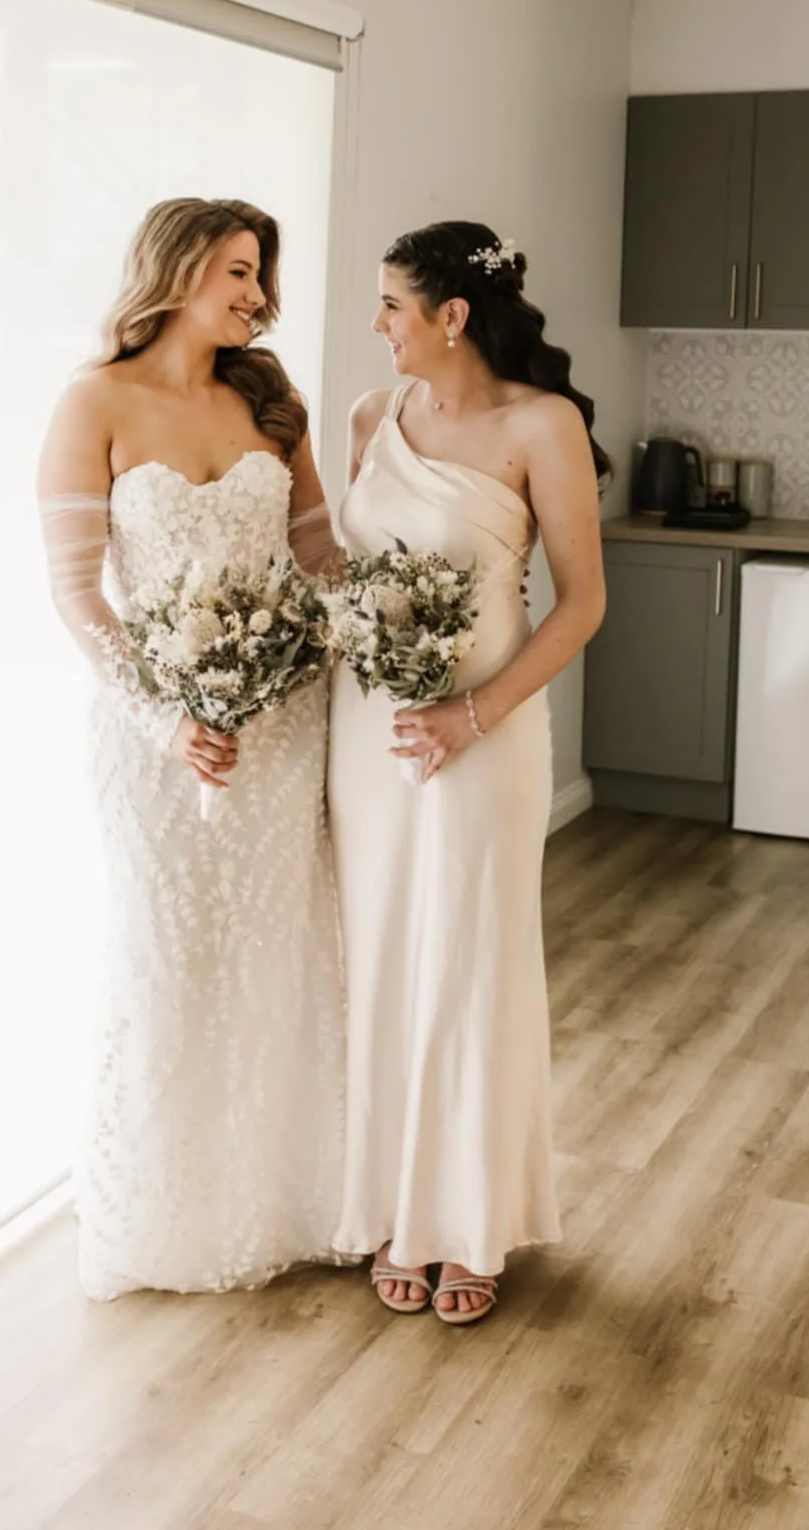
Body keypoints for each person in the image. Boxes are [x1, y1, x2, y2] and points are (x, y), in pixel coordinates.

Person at [36, 197, 345, 1299]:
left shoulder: (274, 402)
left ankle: (282, 1199)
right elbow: (78, 596)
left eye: (262, 272)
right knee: (164, 957)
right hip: (149, 737)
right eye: (238, 268)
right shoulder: (95, 400)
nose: (258, 293)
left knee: (273, 949)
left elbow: (319, 560)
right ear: (176, 269)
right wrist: (164, 718)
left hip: (279, 728)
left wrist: (402, 621)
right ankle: (164, 1214)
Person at [328, 220, 608, 1323]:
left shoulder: (547, 424)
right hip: (371, 734)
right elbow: (353, 570)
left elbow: (583, 601)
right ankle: (395, 1205)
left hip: (487, 735)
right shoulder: (369, 416)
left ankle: (470, 1220)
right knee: (386, 954)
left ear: (452, 314)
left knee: (474, 959)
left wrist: (472, 713)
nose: (377, 323)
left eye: (393, 303)